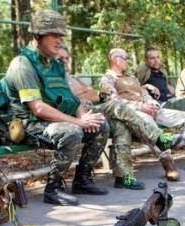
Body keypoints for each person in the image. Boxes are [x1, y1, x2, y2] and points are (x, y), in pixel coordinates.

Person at [1, 9, 109, 206]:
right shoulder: (22, 65)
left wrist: (84, 117)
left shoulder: (54, 64)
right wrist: (78, 122)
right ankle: (53, 189)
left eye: (60, 35)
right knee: (72, 132)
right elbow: (38, 109)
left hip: (51, 120)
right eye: (53, 35)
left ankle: (82, 180)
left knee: (100, 125)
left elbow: (71, 98)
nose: (59, 40)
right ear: (38, 35)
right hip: (29, 124)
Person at [56, 45, 177, 188]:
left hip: (91, 110)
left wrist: (87, 93)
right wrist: (86, 94)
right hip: (77, 115)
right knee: (116, 105)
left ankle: (123, 177)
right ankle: (158, 138)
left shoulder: (72, 78)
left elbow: (94, 94)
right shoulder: (55, 78)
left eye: (66, 58)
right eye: (59, 59)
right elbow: (81, 96)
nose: (64, 61)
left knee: (121, 127)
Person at [100, 48, 185, 171]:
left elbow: (143, 92)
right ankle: (168, 164)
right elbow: (114, 102)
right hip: (134, 113)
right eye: (125, 57)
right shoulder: (108, 79)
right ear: (115, 59)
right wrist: (141, 107)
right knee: (149, 122)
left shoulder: (131, 77)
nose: (127, 60)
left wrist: (152, 102)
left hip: (150, 108)